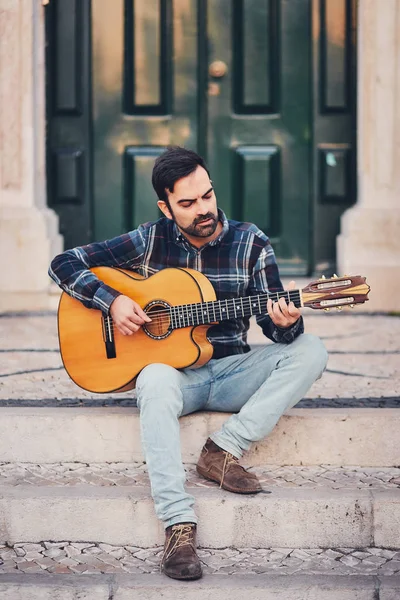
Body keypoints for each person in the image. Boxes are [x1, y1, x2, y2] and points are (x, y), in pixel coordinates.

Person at [49, 146, 328, 581]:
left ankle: (223, 449)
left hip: (233, 371)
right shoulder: (149, 238)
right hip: (177, 379)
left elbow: (276, 334)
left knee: (312, 350)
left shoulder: (250, 242)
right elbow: (63, 263)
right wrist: (112, 300)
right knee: (155, 377)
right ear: (165, 206)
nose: (203, 210)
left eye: (207, 196)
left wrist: (287, 321)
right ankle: (179, 524)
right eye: (187, 203)